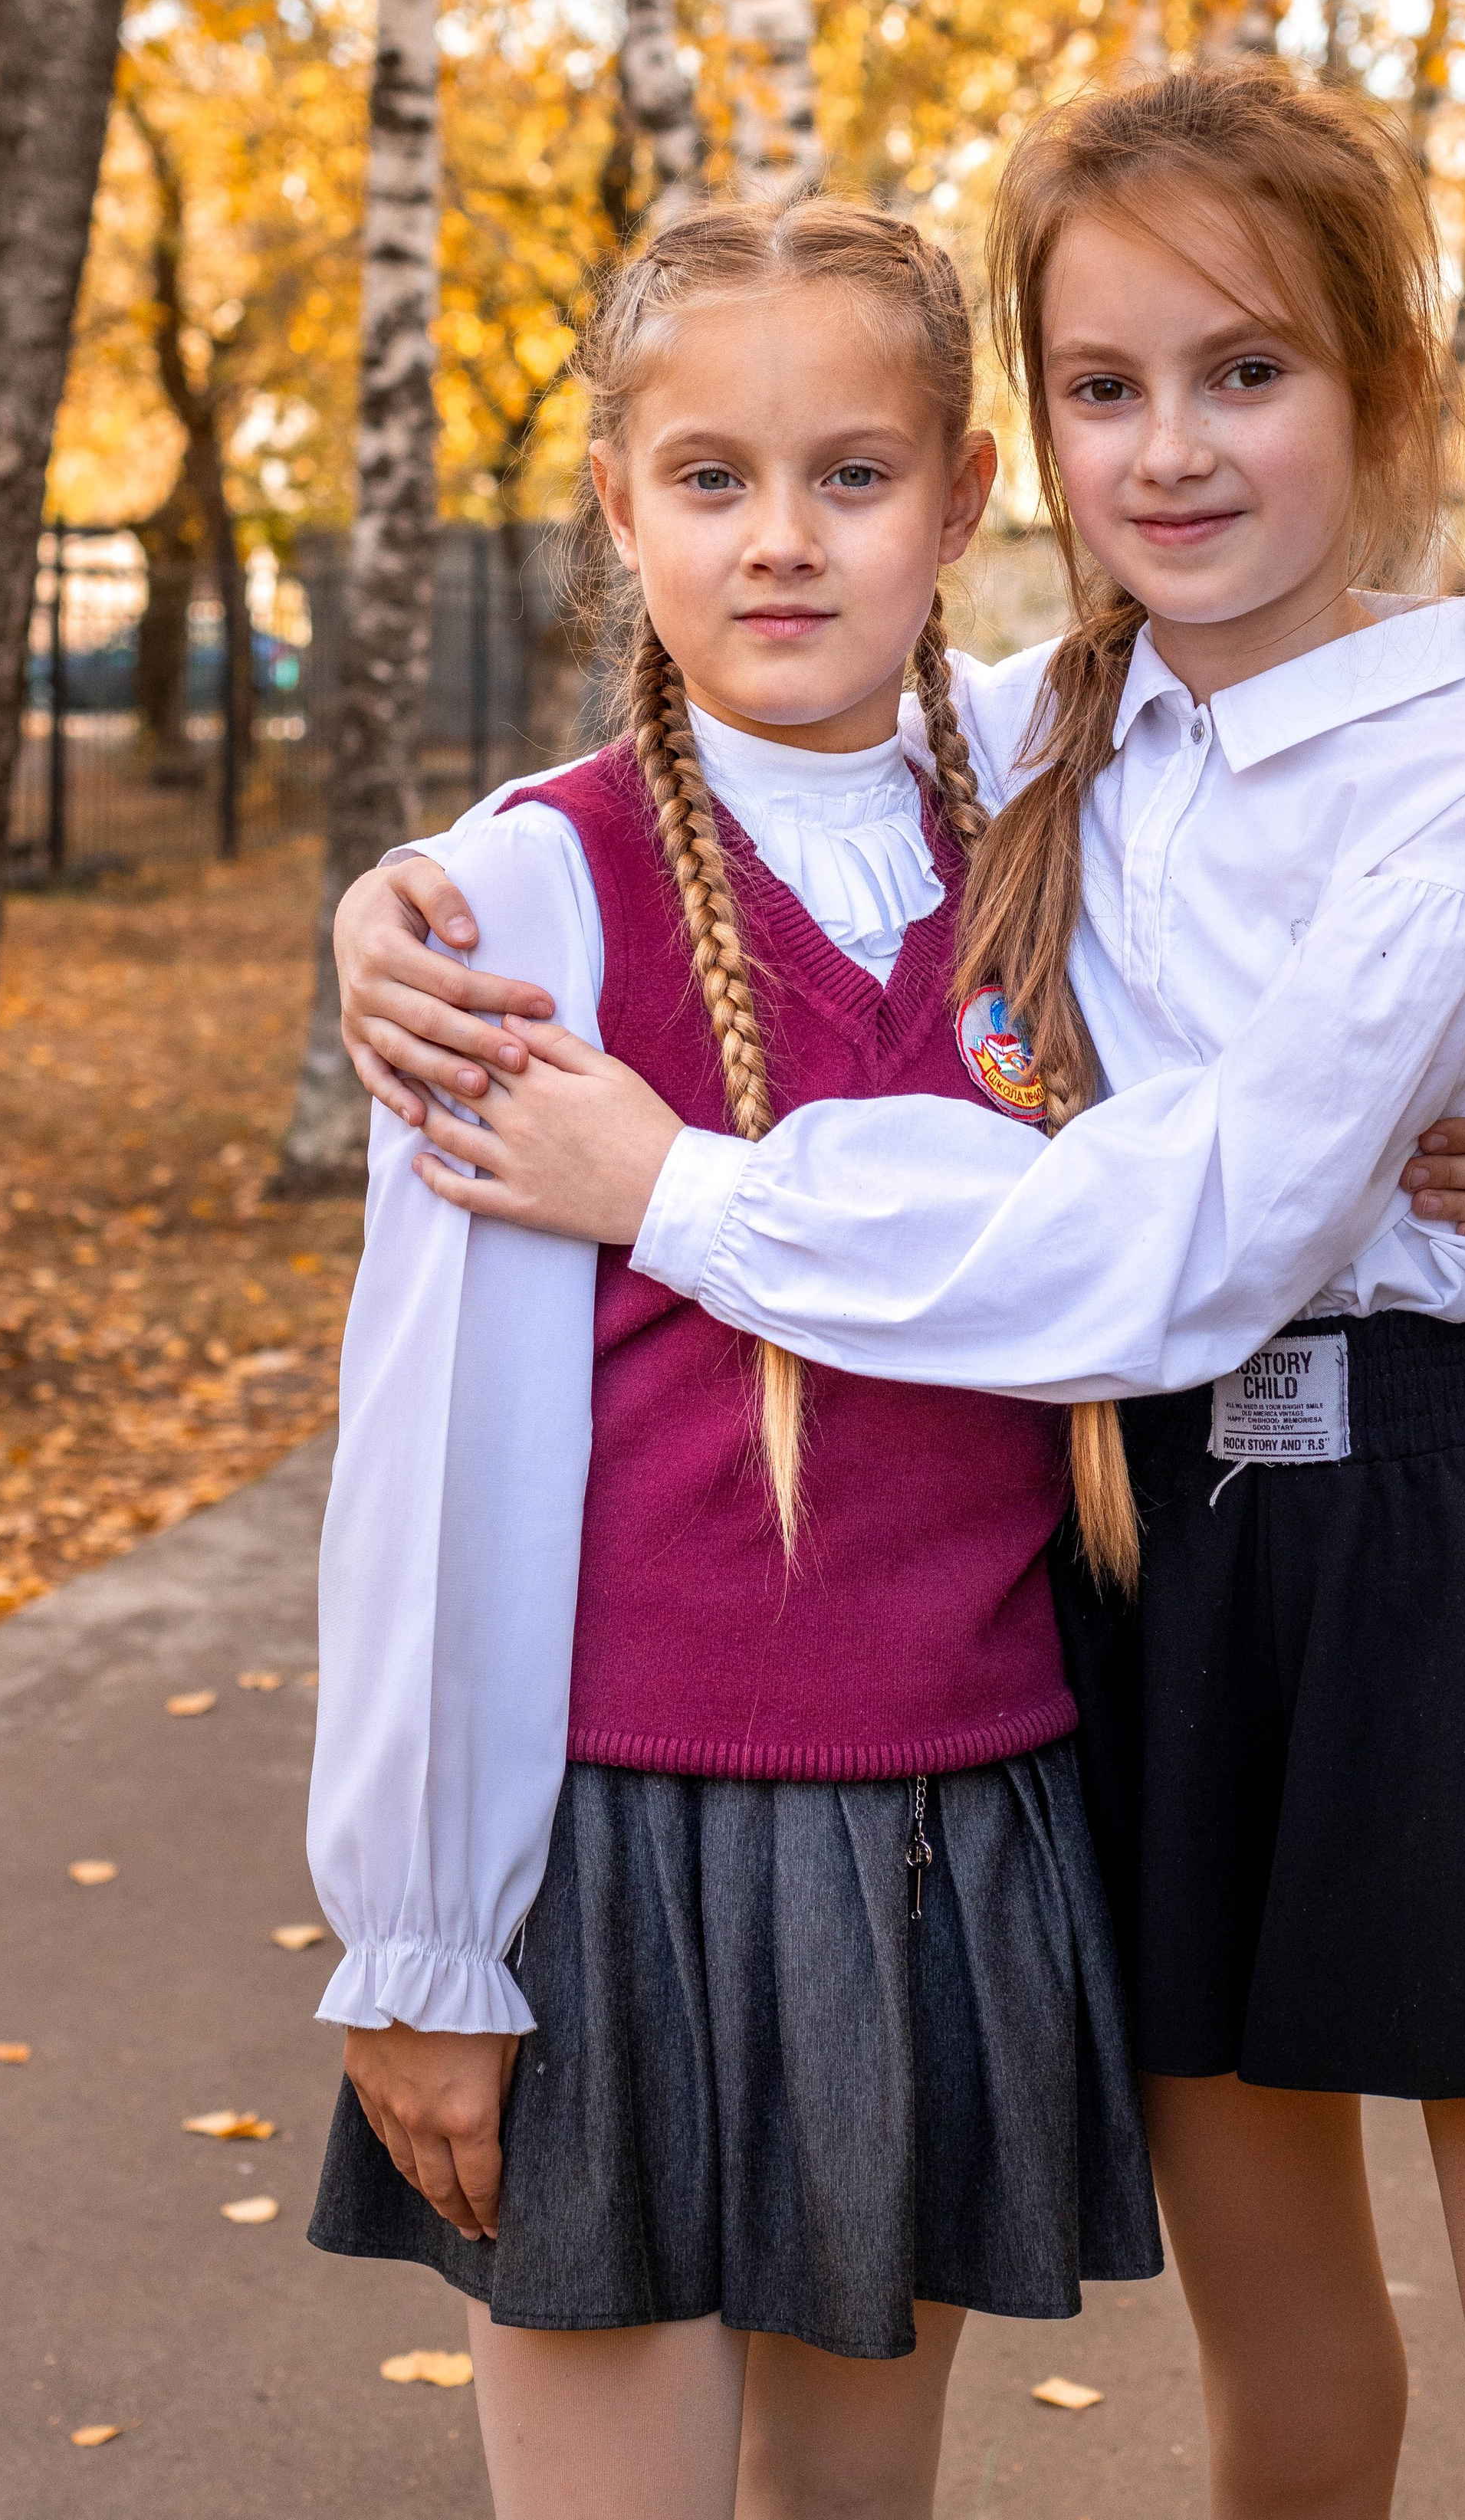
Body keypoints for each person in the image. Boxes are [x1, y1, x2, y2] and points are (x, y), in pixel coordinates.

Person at [340, 66, 1465, 2520]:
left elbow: (1197, 1228)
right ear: (1024, 440)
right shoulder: (1051, 731)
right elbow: (749, 763)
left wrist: (678, 1186)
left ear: (1384, 384)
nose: (1171, 449)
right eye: (1103, 386)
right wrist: (407, 895)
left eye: (1249, 371)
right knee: (1301, 2392)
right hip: (1169, 1584)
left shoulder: (1464, 781)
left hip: (1460, 1568)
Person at [304, 200, 1162, 2520]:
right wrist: (419, 1929)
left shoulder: (1069, 846)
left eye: (852, 475)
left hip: (953, 1815)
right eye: (708, 477)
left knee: (854, 2501)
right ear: (615, 503)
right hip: (618, 1847)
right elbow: (440, 1451)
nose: (781, 539)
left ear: (966, 497)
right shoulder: (536, 896)